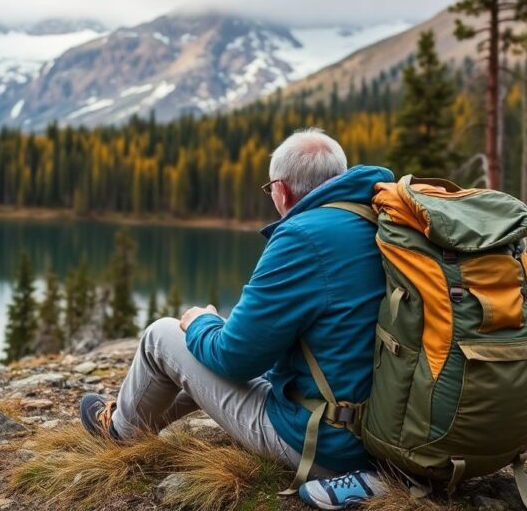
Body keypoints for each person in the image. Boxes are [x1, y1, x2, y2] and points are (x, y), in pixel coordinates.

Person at [78, 128, 394, 510]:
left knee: (162, 336)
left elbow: (235, 358)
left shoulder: (302, 237)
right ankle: (141, 420)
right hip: (389, 428)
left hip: (326, 444)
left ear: (282, 190)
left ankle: (118, 433)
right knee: (224, 340)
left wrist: (198, 323)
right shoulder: (381, 220)